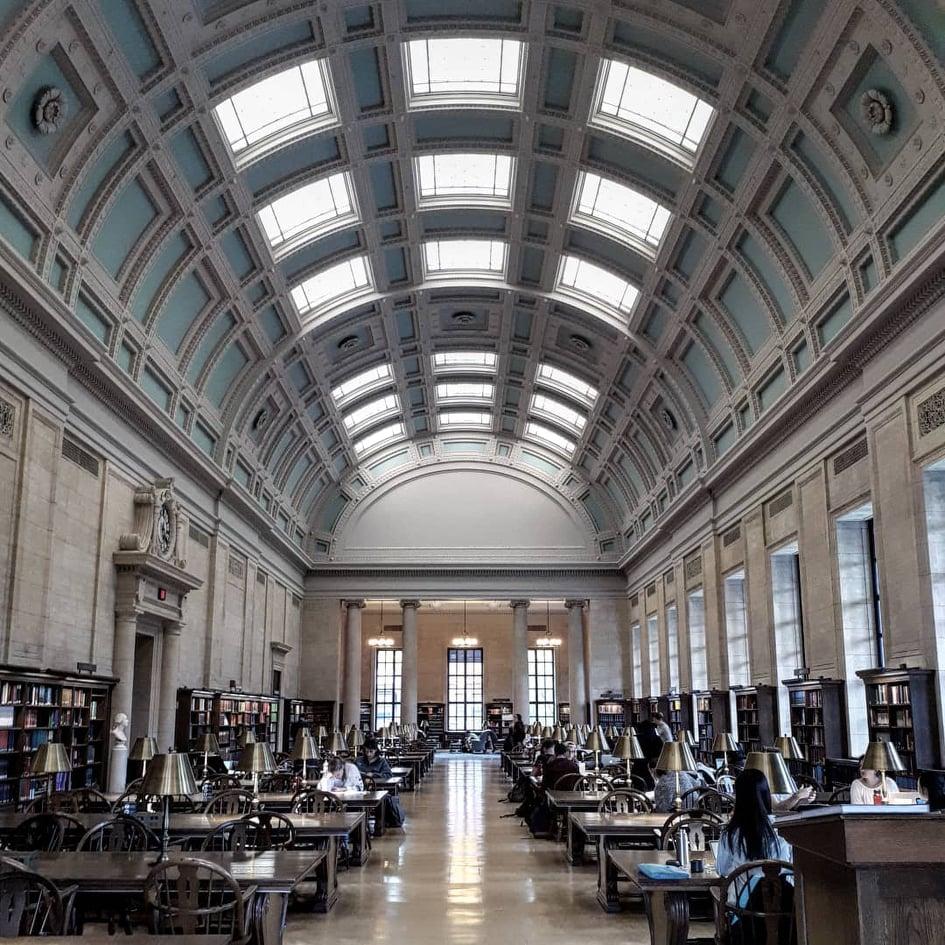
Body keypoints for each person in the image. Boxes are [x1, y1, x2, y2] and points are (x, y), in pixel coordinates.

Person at [716, 769, 793, 898]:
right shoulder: (784, 829)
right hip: (784, 909)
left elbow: (721, 870)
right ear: (767, 794)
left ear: (738, 798)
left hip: (743, 912)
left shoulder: (730, 834)